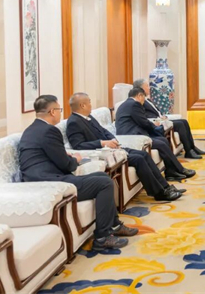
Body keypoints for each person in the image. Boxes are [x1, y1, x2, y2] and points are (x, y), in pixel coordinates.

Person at [18, 95, 138, 251]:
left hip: (41, 178)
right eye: (59, 110)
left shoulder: (32, 129)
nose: (60, 113)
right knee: (104, 183)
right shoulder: (49, 131)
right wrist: (75, 159)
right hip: (49, 182)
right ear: (52, 112)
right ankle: (102, 237)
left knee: (102, 176)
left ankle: (114, 226)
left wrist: (67, 156)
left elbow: (50, 155)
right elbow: (66, 165)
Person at [66, 92, 184, 202]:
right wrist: (102, 143)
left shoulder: (89, 117)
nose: (91, 105)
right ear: (82, 105)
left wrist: (112, 139)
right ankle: (158, 193)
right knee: (139, 159)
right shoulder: (74, 122)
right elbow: (78, 145)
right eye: (89, 102)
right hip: (104, 153)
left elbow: (103, 131)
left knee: (144, 154)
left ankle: (165, 187)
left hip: (113, 148)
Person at [115, 88, 196, 182]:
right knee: (161, 143)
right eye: (144, 98)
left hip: (132, 134)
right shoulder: (134, 104)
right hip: (133, 137)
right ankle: (179, 170)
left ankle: (171, 171)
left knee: (163, 140)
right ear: (139, 96)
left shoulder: (126, 104)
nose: (144, 101)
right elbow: (144, 122)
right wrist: (156, 127)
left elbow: (141, 121)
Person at [133, 78, 205, 160]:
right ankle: (188, 151)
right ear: (141, 88)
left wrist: (162, 116)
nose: (149, 88)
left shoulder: (147, 99)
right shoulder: (139, 101)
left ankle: (192, 147)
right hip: (157, 123)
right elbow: (145, 116)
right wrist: (159, 119)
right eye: (147, 86)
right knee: (180, 124)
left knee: (184, 121)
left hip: (161, 119)